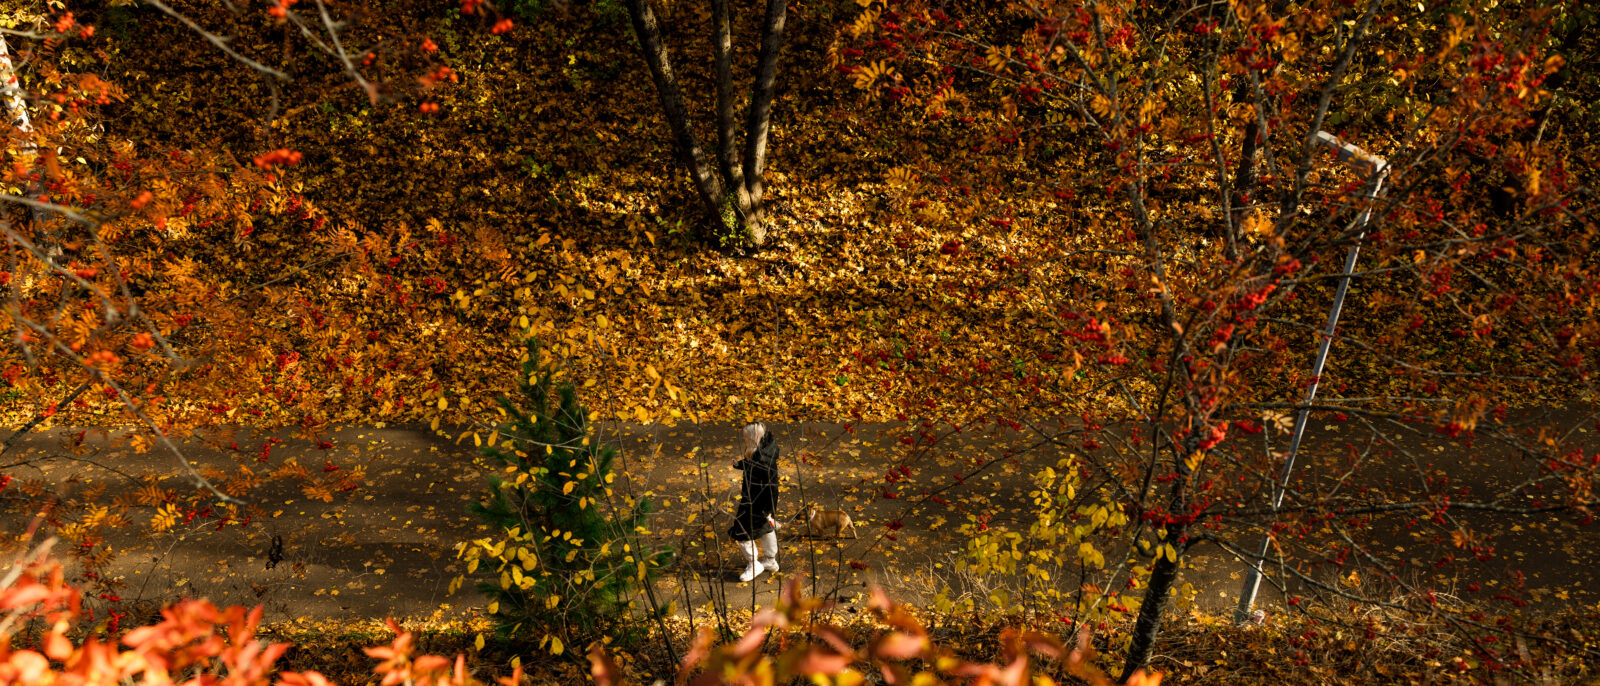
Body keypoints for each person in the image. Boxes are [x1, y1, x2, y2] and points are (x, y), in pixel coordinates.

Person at [729, 422, 780, 582]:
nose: (744, 439)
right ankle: (771, 560)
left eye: (746, 437)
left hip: (756, 502)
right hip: (758, 502)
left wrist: (769, 509)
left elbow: (772, 487)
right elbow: (751, 465)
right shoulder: (762, 453)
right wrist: (739, 465)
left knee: (742, 532)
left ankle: (754, 564)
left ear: (753, 438)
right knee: (765, 528)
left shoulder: (763, 460)